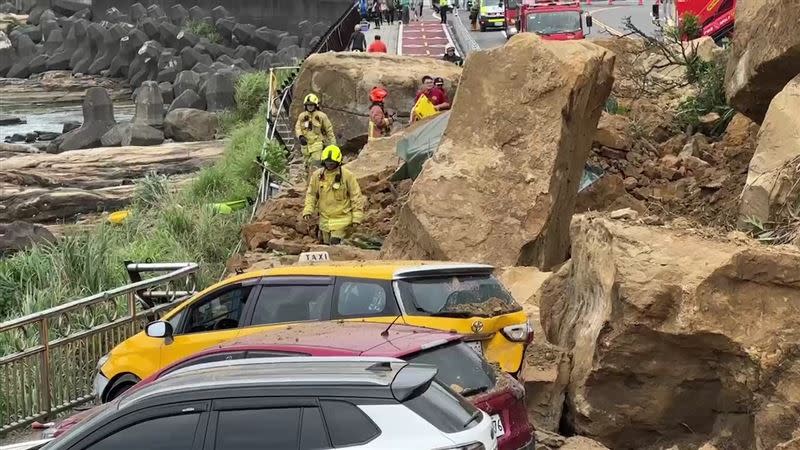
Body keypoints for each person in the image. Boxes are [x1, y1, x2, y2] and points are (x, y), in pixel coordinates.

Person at [303, 145, 365, 245]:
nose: (330, 165)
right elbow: (311, 194)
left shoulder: (347, 176)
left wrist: (357, 217)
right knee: (327, 247)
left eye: (332, 163)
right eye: (327, 163)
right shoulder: (317, 176)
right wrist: (308, 210)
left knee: (335, 243)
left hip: (342, 221)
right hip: (325, 222)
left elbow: (356, 196)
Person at [295, 93, 336, 169]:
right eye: (308, 105)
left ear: (315, 105)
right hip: (305, 145)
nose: (310, 107)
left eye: (311, 105)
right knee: (306, 164)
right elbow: (298, 127)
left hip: (317, 144)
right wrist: (300, 136)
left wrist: (333, 145)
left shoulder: (321, 116)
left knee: (315, 163)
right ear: (305, 106)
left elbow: (329, 130)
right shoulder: (302, 116)